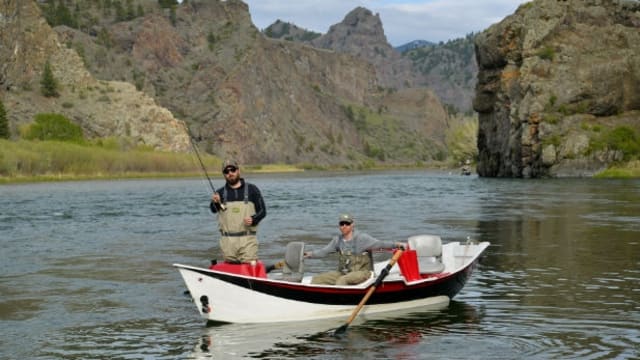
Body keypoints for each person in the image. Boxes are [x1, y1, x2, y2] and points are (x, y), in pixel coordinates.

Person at [304, 214, 406, 286]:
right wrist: (309, 254)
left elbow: (380, 244)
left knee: (342, 280)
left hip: (364, 273)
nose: (344, 226)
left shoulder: (362, 238)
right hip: (344, 272)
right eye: (342, 224)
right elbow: (323, 252)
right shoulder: (337, 240)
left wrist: (397, 244)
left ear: (352, 225)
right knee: (317, 279)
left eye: (347, 223)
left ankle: (341, 303)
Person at [210, 159, 266, 264]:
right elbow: (213, 210)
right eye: (226, 171)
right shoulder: (219, 193)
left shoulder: (252, 189)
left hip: (247, 240)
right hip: (227, 242)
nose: (230, 173)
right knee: (230, 270)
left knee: (249, 268)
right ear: (224, 175)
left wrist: (253, 219)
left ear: (238, 171)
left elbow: (263, 211)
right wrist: (216, 202)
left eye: (233, 170)